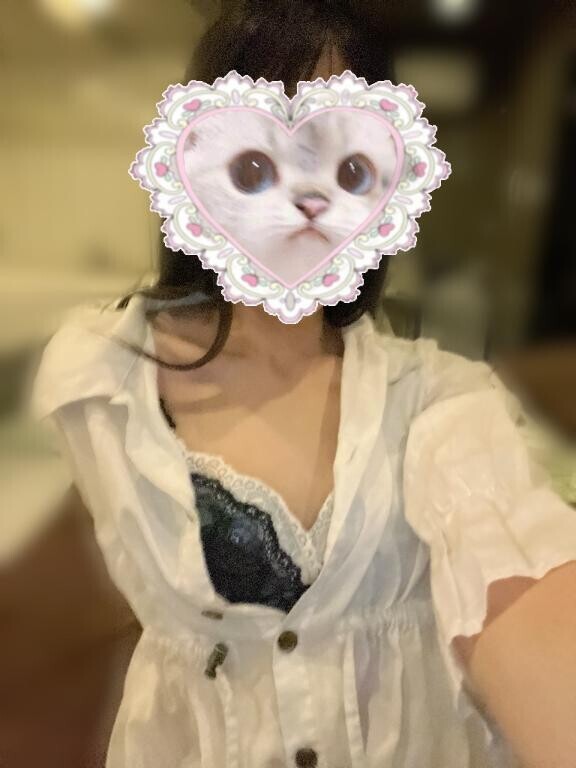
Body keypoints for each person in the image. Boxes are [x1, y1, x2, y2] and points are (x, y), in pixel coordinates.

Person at [28, 1, 576, 767]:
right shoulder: (100, 374)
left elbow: (522, 590)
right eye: (255, 165)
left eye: (348, 167)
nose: (305, 200)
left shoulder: (443, 402)